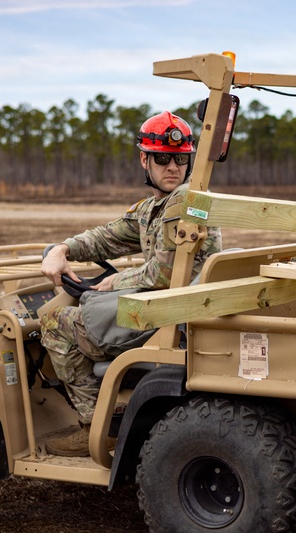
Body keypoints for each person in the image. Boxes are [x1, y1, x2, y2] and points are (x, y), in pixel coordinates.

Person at [39, 111, 222, 456]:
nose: (173, 167)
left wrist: (110, 283)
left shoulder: (184, 201)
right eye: (163, 158)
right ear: (145, 159)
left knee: (53, 322)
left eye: (181, 159)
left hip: (167, 315)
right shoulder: (156, 206)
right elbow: (106, 238)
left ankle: (96, 428)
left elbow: (162, 276)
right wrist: (63, 249)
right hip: (173, 309)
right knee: (93, 303)